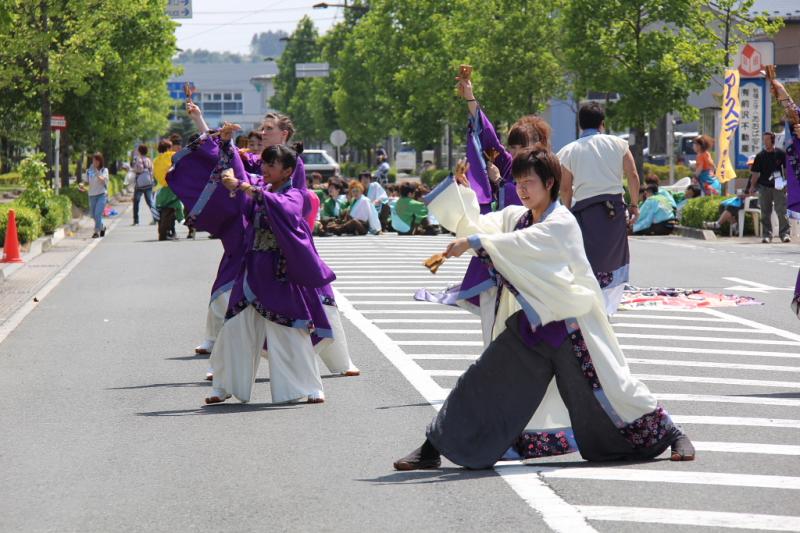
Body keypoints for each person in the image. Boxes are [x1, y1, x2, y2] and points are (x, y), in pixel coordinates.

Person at [394, 146, 694, 471]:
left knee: (612, 390)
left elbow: (520, 242)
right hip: (533, 329)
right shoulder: (518, 217)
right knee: (481, 380)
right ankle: (433, 446)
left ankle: (671, 433)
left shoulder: (561, 222)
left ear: (550, 182)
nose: (522, 190)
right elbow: (483, 224)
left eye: (529, 183)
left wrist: (476, 243)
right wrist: (464, 194)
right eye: (519, 183)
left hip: (573, 333)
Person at [208, 144, 332, 405]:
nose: (264, 169)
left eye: (270, 165)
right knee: (233, 329)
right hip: (252, 270)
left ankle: (308, 386)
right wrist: (227, 148)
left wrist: (244, 188)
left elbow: (285, 209)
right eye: (263, 164)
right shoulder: (260, 189)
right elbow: (240, 177)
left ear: (287, 171)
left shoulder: (296, 194)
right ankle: (223, 385)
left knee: (289, 331)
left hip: (280, 273)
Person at [558, 103, 640, 315]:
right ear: (602, 124)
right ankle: (608, 307)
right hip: (614, 210)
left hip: (584, 212)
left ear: (580, 125)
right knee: (614, 258)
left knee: (586, 259)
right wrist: (634, 204)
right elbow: (632, 175)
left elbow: (565, 189)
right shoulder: (619, 144)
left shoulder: (568, 151)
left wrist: (565, 214)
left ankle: (588, 303)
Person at [748, 131, 789, 243]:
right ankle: (767, 234)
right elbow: (755, 173)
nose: (765, 142)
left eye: (767, 139)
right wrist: (752, 186)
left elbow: (785, 170)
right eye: (764, 139)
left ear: (772, 140)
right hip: (764, 187)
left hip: (778, 187)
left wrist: (787, 183)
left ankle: (784, 234)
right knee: (765, 212)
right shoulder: (760, 156)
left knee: (781, 210)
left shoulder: (780, 153)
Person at [152, 138, 184, 241]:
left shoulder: (156, 160)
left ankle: (165, 230)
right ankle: (173, 229)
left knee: (161, 210)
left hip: (160, 188)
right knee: (176, 206)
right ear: (168, 148)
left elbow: (155, 174)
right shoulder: (172, 155)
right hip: (172, 186)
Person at [131, 144, 156, 226]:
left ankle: (136, 221)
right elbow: (152, 171)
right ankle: (155, 218)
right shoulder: (149, 160)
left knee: (136, 202)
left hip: (140, 184)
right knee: (150, 202)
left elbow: (138, 169)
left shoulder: (139, 160)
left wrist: (134, 170)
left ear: (139, 151)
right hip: (148, 183)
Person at [85, 152, 108, 239]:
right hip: (92, 195)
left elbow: (103, 180)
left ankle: (96, 232)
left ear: (100, 161)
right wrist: (83, 187)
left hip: (101, 195)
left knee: (98, 214)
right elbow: (88, 182)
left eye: (96, 161)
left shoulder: (104, 170)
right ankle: (102, 227)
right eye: (93, 160)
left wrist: (96, 172)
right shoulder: (90, 171)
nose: (94, 162)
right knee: (93, 215)